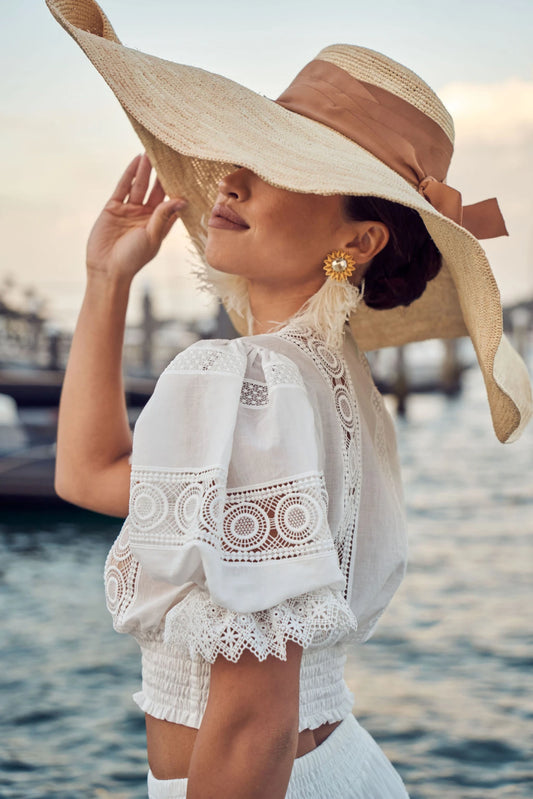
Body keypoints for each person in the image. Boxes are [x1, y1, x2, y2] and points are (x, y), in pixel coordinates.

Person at [46, 1, 532, 798]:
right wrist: (108, 281)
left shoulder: (248, 379)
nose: (230, 179)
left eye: (279, 165)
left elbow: (251, 722)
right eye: (247, 151)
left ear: (358, 240)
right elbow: (91, 475)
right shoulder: (328, 385)